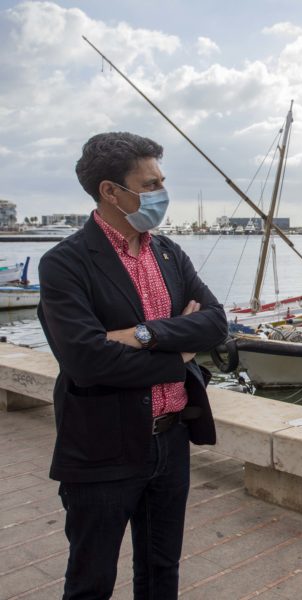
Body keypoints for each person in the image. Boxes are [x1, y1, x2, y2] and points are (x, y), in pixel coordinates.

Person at [37, 132, 228, 600]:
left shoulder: (168, 253)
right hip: (103, 447)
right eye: (150, 182)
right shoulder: (65, 264)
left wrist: (147, 335)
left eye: (162, 180)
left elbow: (216, 322)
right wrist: (179, 356)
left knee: (162, 570)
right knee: (91, 579)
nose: (162, 192)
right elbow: (86, 360)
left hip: (172, 439)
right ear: (110, 191)